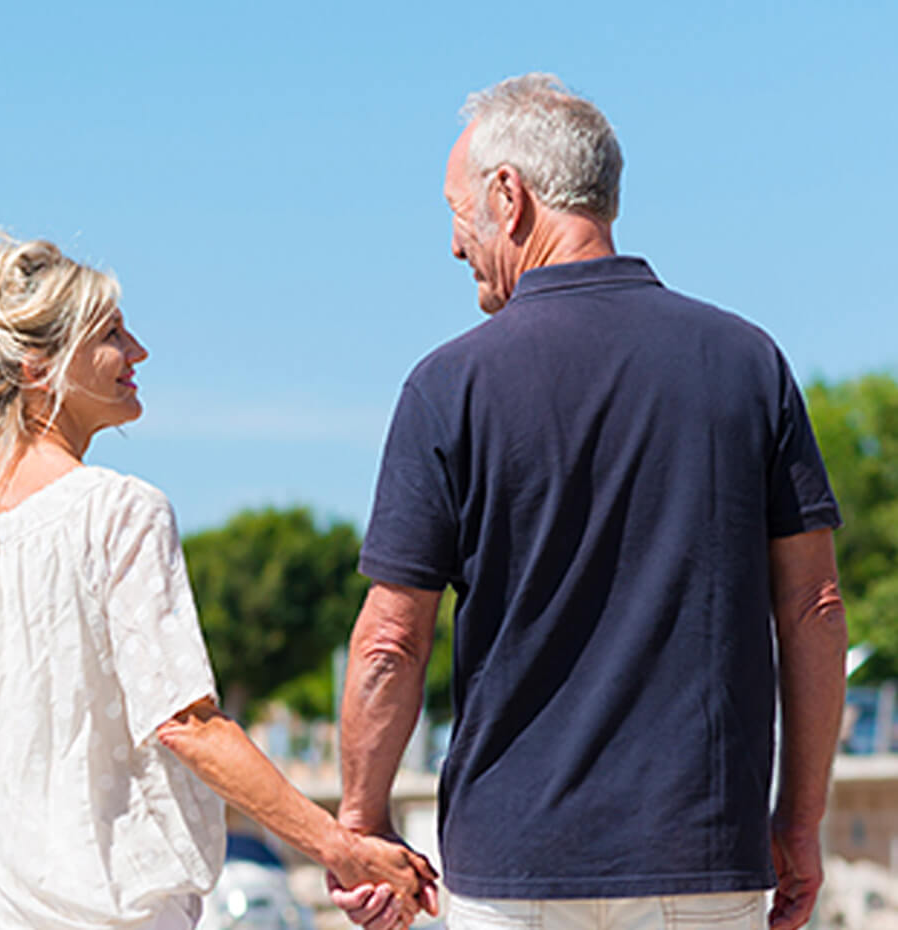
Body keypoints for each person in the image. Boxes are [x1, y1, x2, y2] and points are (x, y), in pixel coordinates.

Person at [329, 74, 846, 930]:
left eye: (457, 213)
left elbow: (390, 638)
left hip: (512, 869)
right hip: (702, 857)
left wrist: (360, 818)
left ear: (509, 195)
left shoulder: (448, 386)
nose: (456, 246)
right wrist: (798, 819)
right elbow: (815, 605)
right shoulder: (746, 364)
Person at [0, 230, 436, 930]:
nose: (137, 353)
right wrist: (338, 847)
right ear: (40, 366)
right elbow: (186, 724)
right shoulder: (116, 512)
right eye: (112, 334)